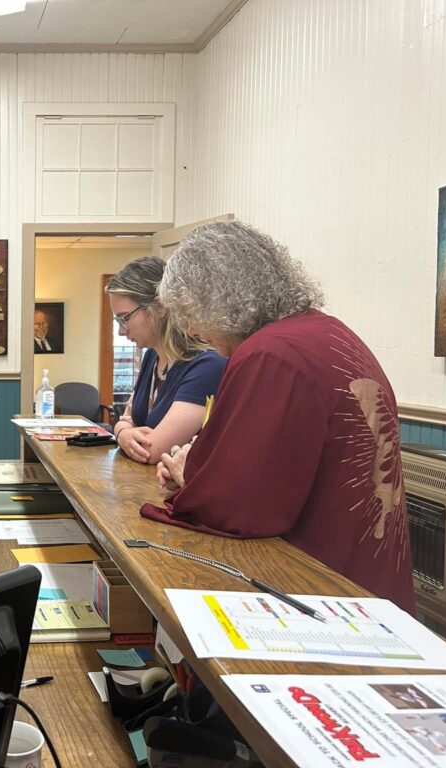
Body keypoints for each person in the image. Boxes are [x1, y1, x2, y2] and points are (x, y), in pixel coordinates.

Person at [145, 220, 415, 611]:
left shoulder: (270, 355)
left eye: (191, 313)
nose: (191, 328)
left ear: (219, 301)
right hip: (369, 569)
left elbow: (241, 508)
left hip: (320, 584)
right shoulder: (329, 331)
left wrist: (191, 476)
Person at [106, 257, 225, 463]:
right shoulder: (152, 355)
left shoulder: (207, 366)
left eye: (125, 318)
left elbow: (152, 451)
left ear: (160, 306)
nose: (121, 330)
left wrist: (123, 431)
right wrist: (122, 433)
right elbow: (126, 419)